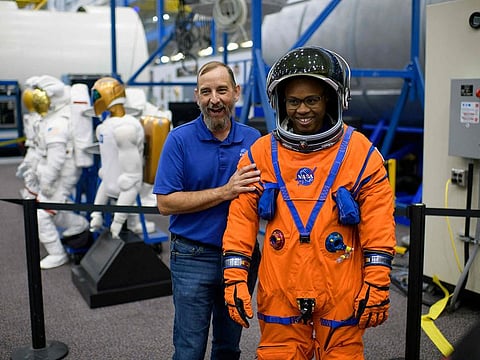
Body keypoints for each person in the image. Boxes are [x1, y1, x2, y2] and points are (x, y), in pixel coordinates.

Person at [222, 46, 396, 359]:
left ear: (331, 99)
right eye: (293, 101)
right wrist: (235, 278)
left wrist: (378, 281)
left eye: (312, 100)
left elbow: (379, 223)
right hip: (280, 286)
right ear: (280, 103)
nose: (302, 110)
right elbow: (241, 220)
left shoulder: (359, 153)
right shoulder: (261, 154)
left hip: (341, 283)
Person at [153, 61, 262, 360]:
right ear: (197, 96)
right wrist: (226, 192)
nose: (214, 99)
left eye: (222, 90)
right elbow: (165, 203)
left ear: (236, 93)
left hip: (241, 259)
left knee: (229, 347)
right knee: (189, 349)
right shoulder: (179, 140)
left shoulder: (254, 140)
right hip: (192, 257)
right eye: (206, 92)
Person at [25, 75, 90, 269]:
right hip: (52, 173)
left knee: (42, 214)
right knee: (49, 207)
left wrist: (47, 181)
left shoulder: (58, 123)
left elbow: (56, 159)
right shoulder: (53, 117)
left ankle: (57, 253)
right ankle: (78, 225)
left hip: (61, 174)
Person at [89, 77, 146, 239]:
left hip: (125, 187)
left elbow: (132, 178)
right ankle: (99, 216)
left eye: (96, 96)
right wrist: (97, 212)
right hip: (111, 182)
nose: (94, 100)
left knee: (127, 181)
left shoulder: (125, 128)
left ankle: (125, 224)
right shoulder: (106, 126)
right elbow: (108, 173)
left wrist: (118, 221)